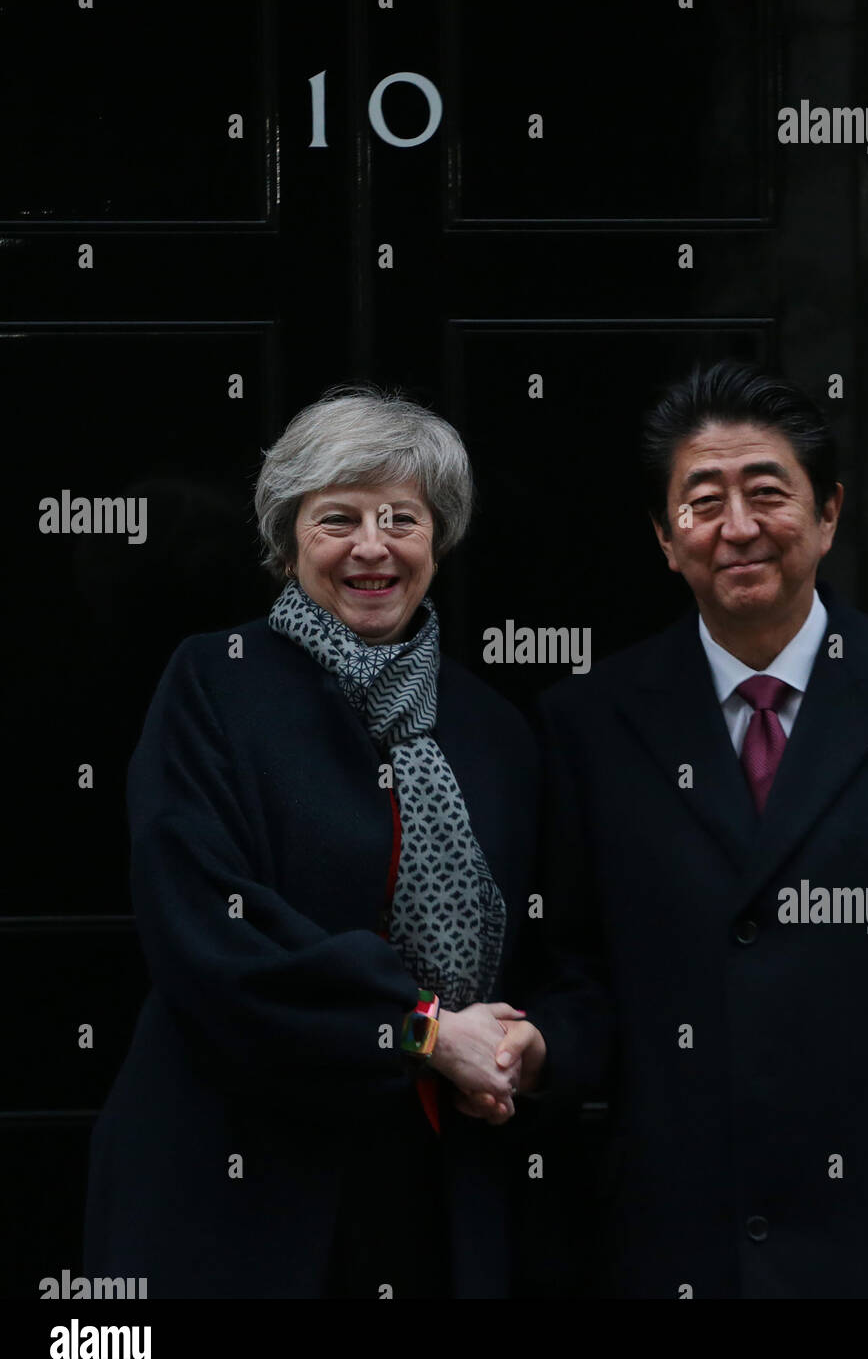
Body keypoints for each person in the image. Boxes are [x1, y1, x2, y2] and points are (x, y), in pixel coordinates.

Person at [500, 360, 868, 1298]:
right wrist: (537, 1050)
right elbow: (579, 971)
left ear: (828, 513)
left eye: (767, 492)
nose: (737, 527)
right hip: (676, 1239)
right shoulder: (589, 725)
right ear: (663, 536)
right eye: (702, 501)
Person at [82, 385, 539, 1298]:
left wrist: (527, 1044)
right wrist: (423, 1031)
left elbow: (552, 947)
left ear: (436, 541)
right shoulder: (213, 683)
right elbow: (206, 932)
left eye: (400, 518)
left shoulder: (494, 728)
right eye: (337, 518)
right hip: (235, 1182)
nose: (372, 546)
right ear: (287, 543)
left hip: (433, 1187)